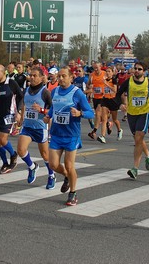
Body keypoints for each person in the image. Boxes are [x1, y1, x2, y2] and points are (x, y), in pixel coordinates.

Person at [45, 67, 94, 205]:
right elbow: (54, 108)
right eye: (59, 76)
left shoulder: (77, 93)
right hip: (56, 133)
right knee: (53, 165)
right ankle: (66, 175)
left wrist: (80, 113)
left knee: (69, 165)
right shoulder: (54, 91)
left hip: (71, 135)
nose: (60, 79)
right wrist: (48, 116)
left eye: (64, 76)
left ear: (71, 77)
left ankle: (73, 193)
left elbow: (91, 112)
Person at [116, 62, 149, 180]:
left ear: (144, 71)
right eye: (135, 68)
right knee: (138, 139)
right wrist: (120, 104)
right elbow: (118, 94)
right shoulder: (129, 82)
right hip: (132, 113)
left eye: (139, 69)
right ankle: (148, 154)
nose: (136, 71)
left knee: (138, 138)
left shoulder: (148, 82)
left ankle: (135, 169)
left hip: (144, 113)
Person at [17, 66, 56, 188]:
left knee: (45, 155)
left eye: (35, 76)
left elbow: (53, 110)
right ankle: (32, 167)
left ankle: (51, 175)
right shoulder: (27, 90)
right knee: (21, 150)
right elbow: (23, 103)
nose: (31, 77)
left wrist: (42, 110)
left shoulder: (45, 92)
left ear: (41, 78)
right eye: (30, 75)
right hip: (27, 126)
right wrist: (20, 115)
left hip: (40, 127)